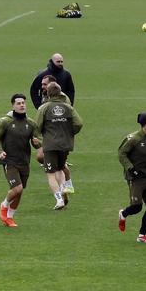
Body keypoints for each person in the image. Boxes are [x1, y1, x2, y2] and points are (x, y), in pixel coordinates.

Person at [116, 112, 146, 243]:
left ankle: (142, 235)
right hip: (135, 178)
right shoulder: (133, 139)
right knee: (137, 207)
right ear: (144, 125)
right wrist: (130, 168)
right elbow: (122, 154)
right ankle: (123, 214)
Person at [0, 93, 41, 227]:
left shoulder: (31, 123)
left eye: (23, 103)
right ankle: (4, 205)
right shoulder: (5, 122)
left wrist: (37, 143)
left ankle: (10, 217)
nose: (21, 105)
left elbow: (38, 141)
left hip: (24, 161)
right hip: (10, 160)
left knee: (20, 191)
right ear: (13, 105)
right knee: (17, 188)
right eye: (18, 103)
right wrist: (0, 151)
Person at [36, 81, 83, 210]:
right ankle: (64, 188)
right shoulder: (68, 107)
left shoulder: (44, 108)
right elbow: (79, 123)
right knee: (61, 167)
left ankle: (59, 199)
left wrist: (40, 137)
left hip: (50, 145)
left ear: (48, 94)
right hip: (66, 144)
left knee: (50, 173)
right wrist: (70, 132)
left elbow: (37, 126)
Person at [35, 74, 73, 191]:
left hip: (57, 135)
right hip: (50, 134)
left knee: (49, 161)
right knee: (42, 157)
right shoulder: (46, 95)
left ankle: (66, 185)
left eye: (44, 84)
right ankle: (64, 186)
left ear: (52, 84)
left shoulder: (63, 99)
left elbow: (67, 116)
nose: (42, 86)